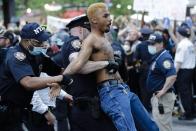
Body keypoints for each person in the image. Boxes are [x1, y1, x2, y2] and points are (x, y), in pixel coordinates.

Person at [63, 3, 159, 131]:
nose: (110, 19)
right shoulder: (90, 40)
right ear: (94, 20)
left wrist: (112, 60)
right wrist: (59, 80)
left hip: (122, 89)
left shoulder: (103, 38)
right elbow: (77, 64)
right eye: (106, 16)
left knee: (151, 128)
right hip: (111, 91)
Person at [0, 23, 72, 131]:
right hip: (5, 114)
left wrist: (59, 83)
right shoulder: (15, 56)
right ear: (27, 41)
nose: (44, 44)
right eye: (39, 41)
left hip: (23, 111)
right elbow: (28, 83)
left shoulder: (38, 55)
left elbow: (60, 71)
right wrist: (59, 79)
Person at [53, 14, 117, 131]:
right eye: (90, 30)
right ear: (82, 30)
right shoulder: (74, 42)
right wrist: (106, 63)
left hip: (89, 105)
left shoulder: (86, 45)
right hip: (85, 106)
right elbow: (80, 65)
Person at [146, 33, 176, 131]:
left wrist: (163, 91)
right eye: (150, 44)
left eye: (153, 44)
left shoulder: (164, 58)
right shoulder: (158, 56)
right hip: (159, 97)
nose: (151, 46)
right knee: (161, 125)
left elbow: (172, 76)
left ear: (161, 44)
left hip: (163, 98)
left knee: (163, 127)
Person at [174, 25, 196, 120]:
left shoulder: (182, 45)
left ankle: (188, 113)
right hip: (191, 70)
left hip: (183, 71)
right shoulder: (190, 44)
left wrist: (174, 73)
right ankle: (191, 111)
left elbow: (179, 61)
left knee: (184, 93)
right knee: (188, 93)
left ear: (179, 34)